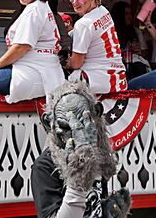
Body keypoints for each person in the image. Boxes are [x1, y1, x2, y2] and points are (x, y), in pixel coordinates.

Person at [32, 81, 131, 218]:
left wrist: (107, 210)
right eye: (66, 128)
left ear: (96, 115)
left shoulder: (97, 151)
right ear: (50, 124)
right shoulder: (44, 167)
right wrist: (79, 175)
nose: (76, 135)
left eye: (84, 124)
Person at [64, 0, 127, 94]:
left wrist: (65, 62)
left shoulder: (83, 24)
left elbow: (76, 64)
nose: (75, 2)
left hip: (97, 80)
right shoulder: (103, 11)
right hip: (118, 80)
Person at [110, 1, 151, 80]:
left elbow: (146, 54)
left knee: (138, 67)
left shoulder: (136, 31)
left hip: (135, 65)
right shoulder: (111, 32)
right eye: (126, 14)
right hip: (117, 65)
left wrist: (140, 52)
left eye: (130, 14)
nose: (129, 17)